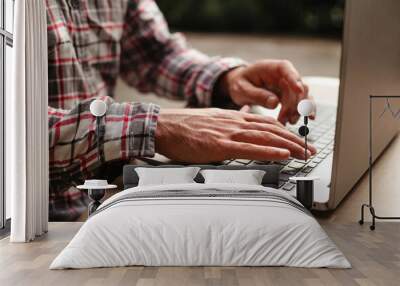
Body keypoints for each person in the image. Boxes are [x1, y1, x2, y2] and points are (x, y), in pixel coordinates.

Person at [46, 0, 316, 220]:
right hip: (32, 225)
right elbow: (8, 131)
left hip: (96, 203)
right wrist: (154, 127)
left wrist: (227, 79)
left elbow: (154, 52)